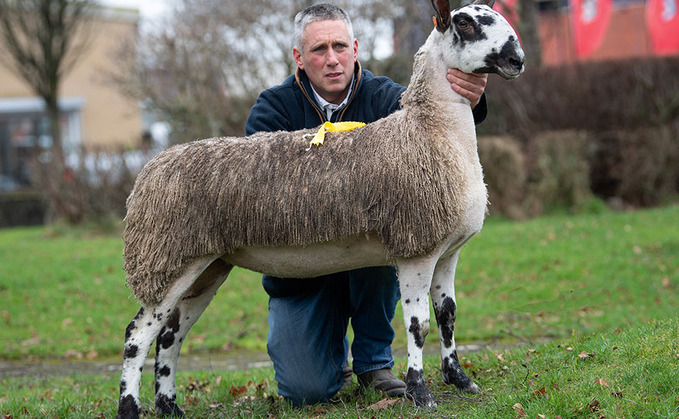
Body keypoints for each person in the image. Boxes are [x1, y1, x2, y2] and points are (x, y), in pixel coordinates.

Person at [245, 3, 488, 406]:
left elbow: (433, 112)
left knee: (396, 236)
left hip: (368, 265)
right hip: (303, 273)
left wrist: (472, 97)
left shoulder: (384, 98)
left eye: (340, 46)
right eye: (319, 49)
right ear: (298, 58)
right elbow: (259, 187)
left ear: (355, 49)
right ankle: (328, 356)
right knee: (307, 391)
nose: (332, 59)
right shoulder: (272, 110)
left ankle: (374, 364)